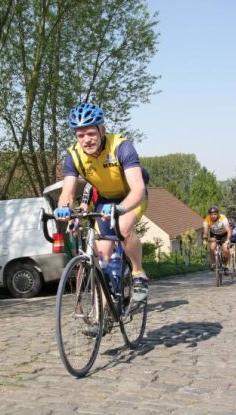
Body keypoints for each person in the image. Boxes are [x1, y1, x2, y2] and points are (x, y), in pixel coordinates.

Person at [54, 102, 149, 313]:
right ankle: (102, 316)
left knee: (123, 228)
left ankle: (138, 273)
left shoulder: (121, 146)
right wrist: (63, 208)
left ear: (102, 130)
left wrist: (121, 208)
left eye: (90, 133)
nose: (86, 140)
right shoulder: (73, 156)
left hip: (131, 196)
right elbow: (68, 192)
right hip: (105, 199)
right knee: (103, 257)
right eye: (80, 135)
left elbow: (138, 187)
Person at [203, 206, 231, 273]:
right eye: (211, 214)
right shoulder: (207, 220)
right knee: (212, 247)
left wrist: (228, 240)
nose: (213, 216)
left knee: (226, 249)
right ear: (209, 215)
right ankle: (213, 263)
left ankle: (226, 265)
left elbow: (229, 230)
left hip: (224, 234)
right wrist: (205, 239)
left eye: (215, 214)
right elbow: (205, 231)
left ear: (218, 214)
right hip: (214, 235)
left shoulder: (223, 218)